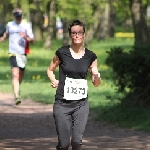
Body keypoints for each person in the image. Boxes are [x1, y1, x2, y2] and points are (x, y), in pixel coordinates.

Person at [47, 20, 101, 150]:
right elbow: (50, 70)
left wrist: (96, 74)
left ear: (84, 34)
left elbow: (96, 83)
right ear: (70, 35)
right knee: (64, 144)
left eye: (80, 33)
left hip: (81, 104)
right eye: (74, 33)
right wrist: (53, 80)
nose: (77, 36)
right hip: (62, 104)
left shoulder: (91, 56)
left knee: (77, 142)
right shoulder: (61, 53)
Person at [0, 8, 34, 105]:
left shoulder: (26, 25)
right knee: (15, 74)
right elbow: (6, 35)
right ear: (13, 16)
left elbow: (32, 41)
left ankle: (17, 88)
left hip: (22, 53)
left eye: (19, 16)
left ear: (22, 16)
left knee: (20, 75)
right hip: (13, 52)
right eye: (16, 16)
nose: (18, 18)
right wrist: (2, 39)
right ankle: (16, 96)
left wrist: (25, 37)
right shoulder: (10, 25)